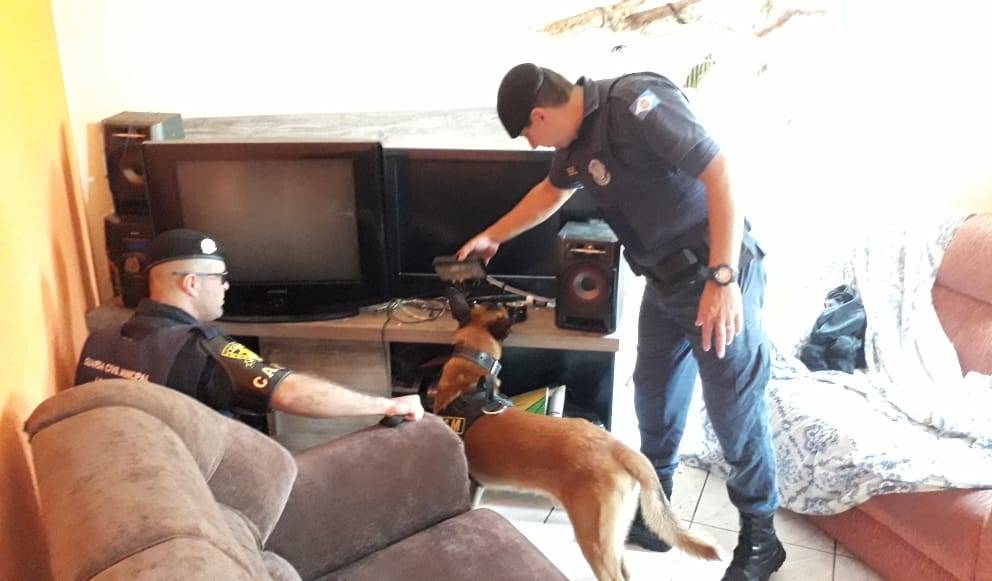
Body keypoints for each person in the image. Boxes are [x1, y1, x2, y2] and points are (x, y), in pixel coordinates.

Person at [458, 63, 784, 580]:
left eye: (528, 133)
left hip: (714, 275)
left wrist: (722, 280)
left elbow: (719, 171)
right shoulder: (573, 144)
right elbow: (550, 192)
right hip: (664, 283)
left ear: (540, 115)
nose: (534, 144)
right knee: (654, 400)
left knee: (733, 413)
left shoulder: (636, 104)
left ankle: (762, 537)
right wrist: (493, 235)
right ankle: (656, 519)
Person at [75, 228, 423, 431]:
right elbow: (289, 392)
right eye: (220, 278)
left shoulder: (97, 343)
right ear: (191, 283)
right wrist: (386, 405)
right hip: (197, 493)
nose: (226, 286)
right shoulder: (201, 351)